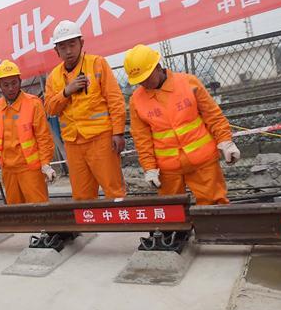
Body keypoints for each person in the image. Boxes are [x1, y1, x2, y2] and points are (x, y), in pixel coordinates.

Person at [124, 44, 240, 205]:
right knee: (173, 212)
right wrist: (149, 168)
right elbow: (141, 139)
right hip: (168, 168)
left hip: (203, 160)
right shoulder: (136, 100)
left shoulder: (187, 83)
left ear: (158, 67)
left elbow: (212, 115)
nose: (144, 83)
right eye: (140, 81)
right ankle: (179, 231)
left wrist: (225, 141)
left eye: (147, 77)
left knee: (214, 206)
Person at [44, 20, 127, 201]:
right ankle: (90, 228)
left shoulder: (97, 64)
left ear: (81, 43)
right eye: (62, 47)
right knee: (82, 195)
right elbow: (50, 108)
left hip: (101, 139)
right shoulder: (53, 77)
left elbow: (115, 100)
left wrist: (118, 133)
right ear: (56, 51)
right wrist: (66, 91)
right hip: (73, 143)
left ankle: (124, 226)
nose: (68, 51)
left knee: (114, 189)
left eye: (72, 44)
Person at [0, 60, 56, 204]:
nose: (11, 88)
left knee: (39, 209)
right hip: (8, 171)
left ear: (20, 81)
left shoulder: (33, 104)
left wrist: (45, 164)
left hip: (30, 170)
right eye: (6, 85)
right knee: (16, 211)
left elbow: (43, 137)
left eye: (14, 83)